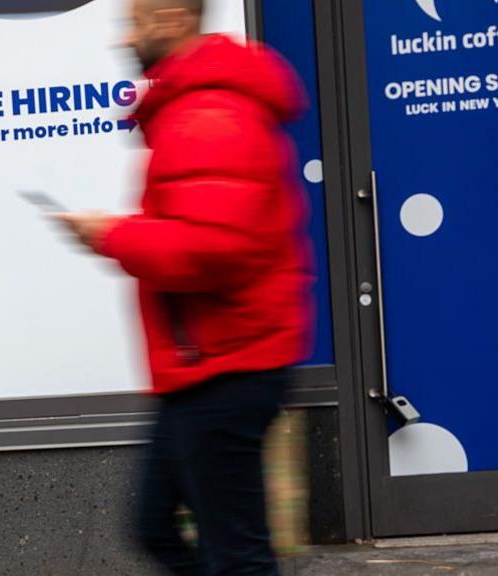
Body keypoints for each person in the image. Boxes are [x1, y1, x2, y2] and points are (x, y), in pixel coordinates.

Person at [55, 0, 314, 574]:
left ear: (174, 17)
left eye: (135, 21)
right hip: (200, 364)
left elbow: (213, 249)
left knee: (238, 555)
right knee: (154, 526)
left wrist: (113, 236)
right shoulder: (188, 111)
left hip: (228, 364)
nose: (123, 39)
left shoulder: (210, 114)